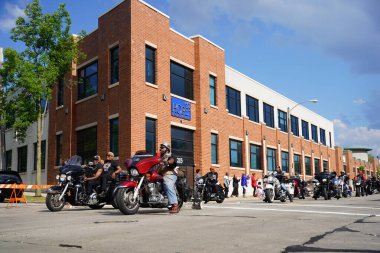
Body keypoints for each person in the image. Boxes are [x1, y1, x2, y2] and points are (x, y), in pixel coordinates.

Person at [158, 142, 179, 214]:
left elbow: (172, 160)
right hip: (160, 175)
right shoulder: (158, 157)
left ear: (167, 149)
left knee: (167, 183)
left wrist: (167, 162)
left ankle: (175, 205)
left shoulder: (171, 156)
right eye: (160, 147)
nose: (160, 149)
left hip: (170, 174)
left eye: (162, 147)